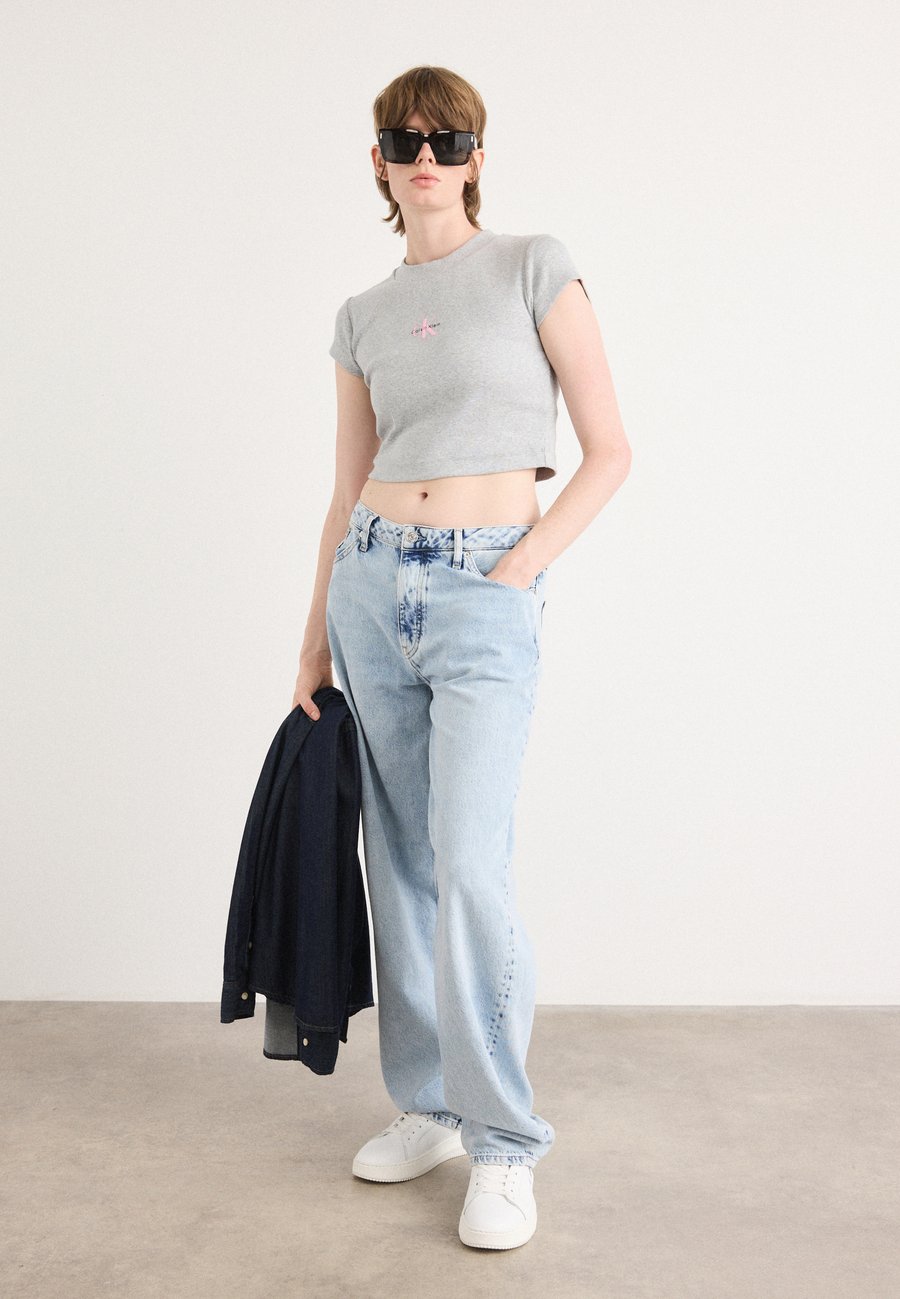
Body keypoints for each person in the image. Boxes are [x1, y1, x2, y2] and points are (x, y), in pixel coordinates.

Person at [292, 65, 631, 1250]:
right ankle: (431, 1105)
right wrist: (314, 638)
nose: (425, 156)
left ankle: (504, 1142)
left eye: (447, 139)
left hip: (487, 587)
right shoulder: (362, 315)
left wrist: (519, 569)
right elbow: (346, 489)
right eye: (404, 140)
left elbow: (609, 450)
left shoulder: (535, 264)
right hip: (372, 586)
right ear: (379, 163)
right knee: (401, 865)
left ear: (478, 156)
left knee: (471, 866)